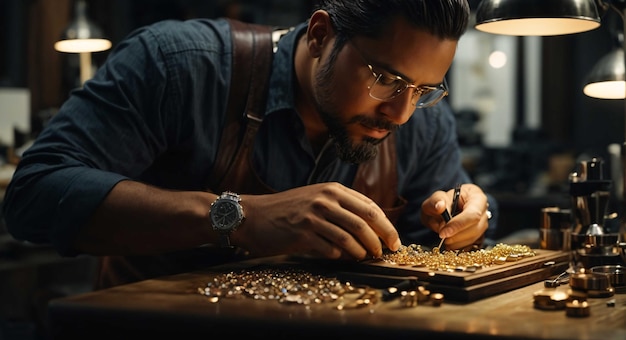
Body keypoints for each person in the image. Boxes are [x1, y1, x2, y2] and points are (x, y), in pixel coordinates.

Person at [2, 0, 496, 289]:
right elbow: (35, 197)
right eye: (385, 78)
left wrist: (463, 216)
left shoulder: (421, 121)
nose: (402, 112)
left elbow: (431, 238)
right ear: (322, 35)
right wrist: (240, 218)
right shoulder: (182, 65)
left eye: (424, 90)